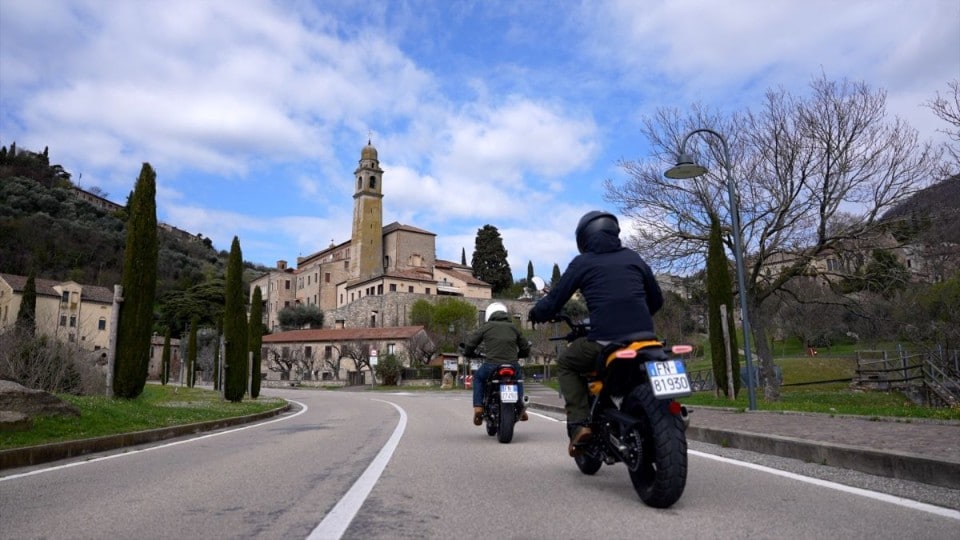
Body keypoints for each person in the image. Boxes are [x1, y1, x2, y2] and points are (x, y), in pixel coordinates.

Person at [528, 210, 663, 457]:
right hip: (646, 339)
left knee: (567, 363)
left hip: (606, 340)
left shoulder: (583, 262)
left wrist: (536, 313)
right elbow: (656, 300)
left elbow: (554, 300)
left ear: (584, 237)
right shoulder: (634, 257)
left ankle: (579, 423)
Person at [463, 302, 532, 426]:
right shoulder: (513, 327)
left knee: (478, 377)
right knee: (518, 379)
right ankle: (521, 405)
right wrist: (519, 355)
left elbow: (471, 343)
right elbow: (525, 347)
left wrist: (468, 353)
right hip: (512, 364)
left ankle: (478, 407)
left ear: (489, 315)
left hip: (491, 365)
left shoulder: (486, 326)